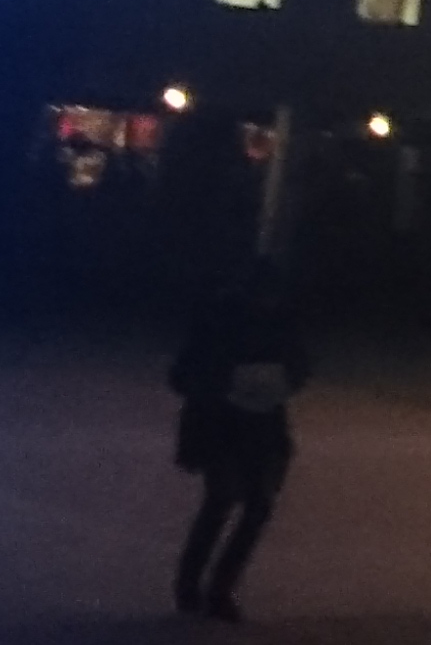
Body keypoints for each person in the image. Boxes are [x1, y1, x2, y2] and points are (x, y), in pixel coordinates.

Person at [169, 260, 312, 621]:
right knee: (222, 501)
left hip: (263, 425)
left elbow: (301, 363)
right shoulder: (220, 318)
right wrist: (226, 383)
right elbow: (182, 373)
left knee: (255, 506)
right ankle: (193, 586)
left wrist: (282, 380)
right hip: (224, 425)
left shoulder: (279, 320)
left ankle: (217, 588)